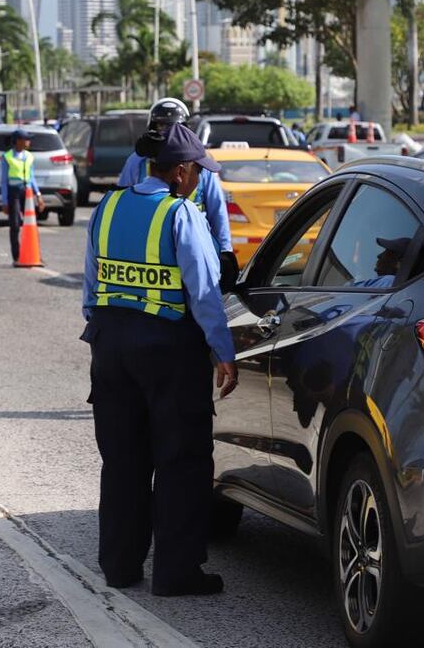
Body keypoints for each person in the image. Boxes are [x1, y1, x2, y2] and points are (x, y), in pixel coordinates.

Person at [83, 122, 238, 597]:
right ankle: (176, 573)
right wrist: (223, 352)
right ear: (183, 171)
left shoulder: (106, 208)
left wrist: (107, 334)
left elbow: (91, 286)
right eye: (197, 172)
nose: (198, 180)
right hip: (169, 350)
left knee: (123, 459)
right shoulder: (181, 214)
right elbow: (206, 294)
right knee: (182, 460)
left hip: (110, 347)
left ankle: (120, 566)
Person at [118, 98, 237, 288]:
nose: (167, 133)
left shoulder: (200, 162)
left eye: (175, 127)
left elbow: (217, 211)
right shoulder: (137, 161)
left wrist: (224, 252)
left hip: (193, 246)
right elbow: (121, 206)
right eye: (161, 126)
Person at [0, 129, 43, 264]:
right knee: (15, 224)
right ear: (18, 141)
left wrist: (38, 194)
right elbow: (4, 181)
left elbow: (32, 177)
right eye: (26, 139)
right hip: (14, 191)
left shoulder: (29, 157)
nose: (28, 142)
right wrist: (5, 200)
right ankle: (16, 256)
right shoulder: (7, 157)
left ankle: (35, 254)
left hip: (28, 192)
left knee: (31, 224)